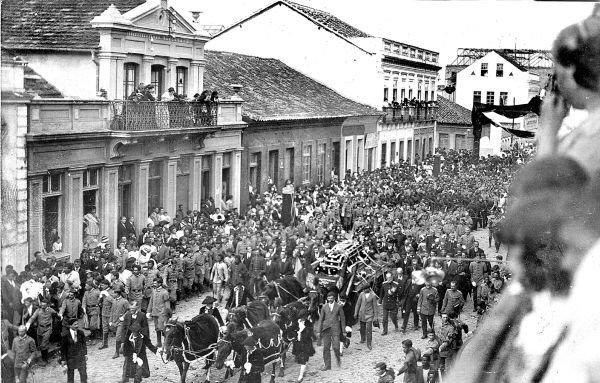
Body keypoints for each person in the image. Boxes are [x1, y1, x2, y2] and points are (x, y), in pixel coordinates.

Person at [121, 301, 158, 383]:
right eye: (130, 309)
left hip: (139, 338)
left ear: (137, 308)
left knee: (141, 356)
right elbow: (123, 328)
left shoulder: (142, 315)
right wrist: (123, 341)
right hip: (129, 339)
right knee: (128, 358)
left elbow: (145, 328)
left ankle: (142, 374)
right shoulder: (127, 315)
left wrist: (144, 338)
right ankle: (127, 376)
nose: (131, 310)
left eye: (133, 309)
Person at [317, 291, 345, 370]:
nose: (330, 299)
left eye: (331, 298)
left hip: (336, 329)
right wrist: (319, 331)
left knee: (336, 347)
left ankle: (338, 359)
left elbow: (342, 320)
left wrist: (344, 331)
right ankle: (327, 365)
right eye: (328, 298)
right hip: (326, 330)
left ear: (334, 298)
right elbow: (320, 320)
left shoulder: (339, 307)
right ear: (327, 298)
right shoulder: (324, 307)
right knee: (326, 347)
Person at [26, 299, 56, 365]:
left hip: (47, 329)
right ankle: (43, 357)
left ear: (47, 305)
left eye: (44, 305)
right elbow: (33, 317)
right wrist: (28, 323)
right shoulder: (38, 310)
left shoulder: (50, 310)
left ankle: (45, 360)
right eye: (42, 305)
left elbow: (56, 314)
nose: (43, 307)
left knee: (44, 344)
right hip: (40, 329)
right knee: (40, 345)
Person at [60, 318, 88, 383]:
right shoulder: (65, 335)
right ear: (70, 325)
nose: (77, 326)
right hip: (70, 358)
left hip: (80, 358)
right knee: (70, 377)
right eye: (75, 324)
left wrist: (85, 354)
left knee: (83, 375)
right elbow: (63, 349)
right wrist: (63, 360)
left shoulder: (81, 333)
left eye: (77, 324)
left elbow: (84, 344)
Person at [145, 278, 170, 347]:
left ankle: (166, 343)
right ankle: (159, 343)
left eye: (155, 283)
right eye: (154, 283)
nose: (154, 284)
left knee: (162, 328)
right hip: (155, 312)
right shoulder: (154, 291)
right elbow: (151, 301)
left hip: (162, 313)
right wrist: (148, 311)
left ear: (160, 284)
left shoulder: (165, 292)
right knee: (157, 328)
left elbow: (167, 304)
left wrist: (168, 313)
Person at [354, 284, 378, 350]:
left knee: (369, 329)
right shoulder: (361, 294)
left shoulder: (373, 296)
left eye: (365, 289)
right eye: (363, 289)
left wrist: (376, 317)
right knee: (362, 328)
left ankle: (369, 343)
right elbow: (358, 304)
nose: (364, 290)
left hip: (369, 314)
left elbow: (375, 307)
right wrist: (356, 312)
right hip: (362, 314)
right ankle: (363, 338)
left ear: (369, 289)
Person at [292, 316, 315, 383]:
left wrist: (302, 330)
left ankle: (300, 377)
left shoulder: (308, 327)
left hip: (306, 346)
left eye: (301, 321)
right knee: (302, 360)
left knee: (303, 360)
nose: (299, 322)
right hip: (298, 347)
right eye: (299, 321)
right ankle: (303, 372)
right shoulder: (296, 326)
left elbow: (309, 335)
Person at [379, 271, 400, 335]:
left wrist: (398, 302)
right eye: (387, 278)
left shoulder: (396, 284)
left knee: (393, 317)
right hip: (385, 303)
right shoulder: (383, 284)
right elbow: (381, 293)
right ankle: (385, 331)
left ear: (392, 277)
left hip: (393, 303)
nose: (388, 279)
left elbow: (397, 294)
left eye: (390, 277)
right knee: (384, 318)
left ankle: (396, 325)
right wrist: (380, 300)